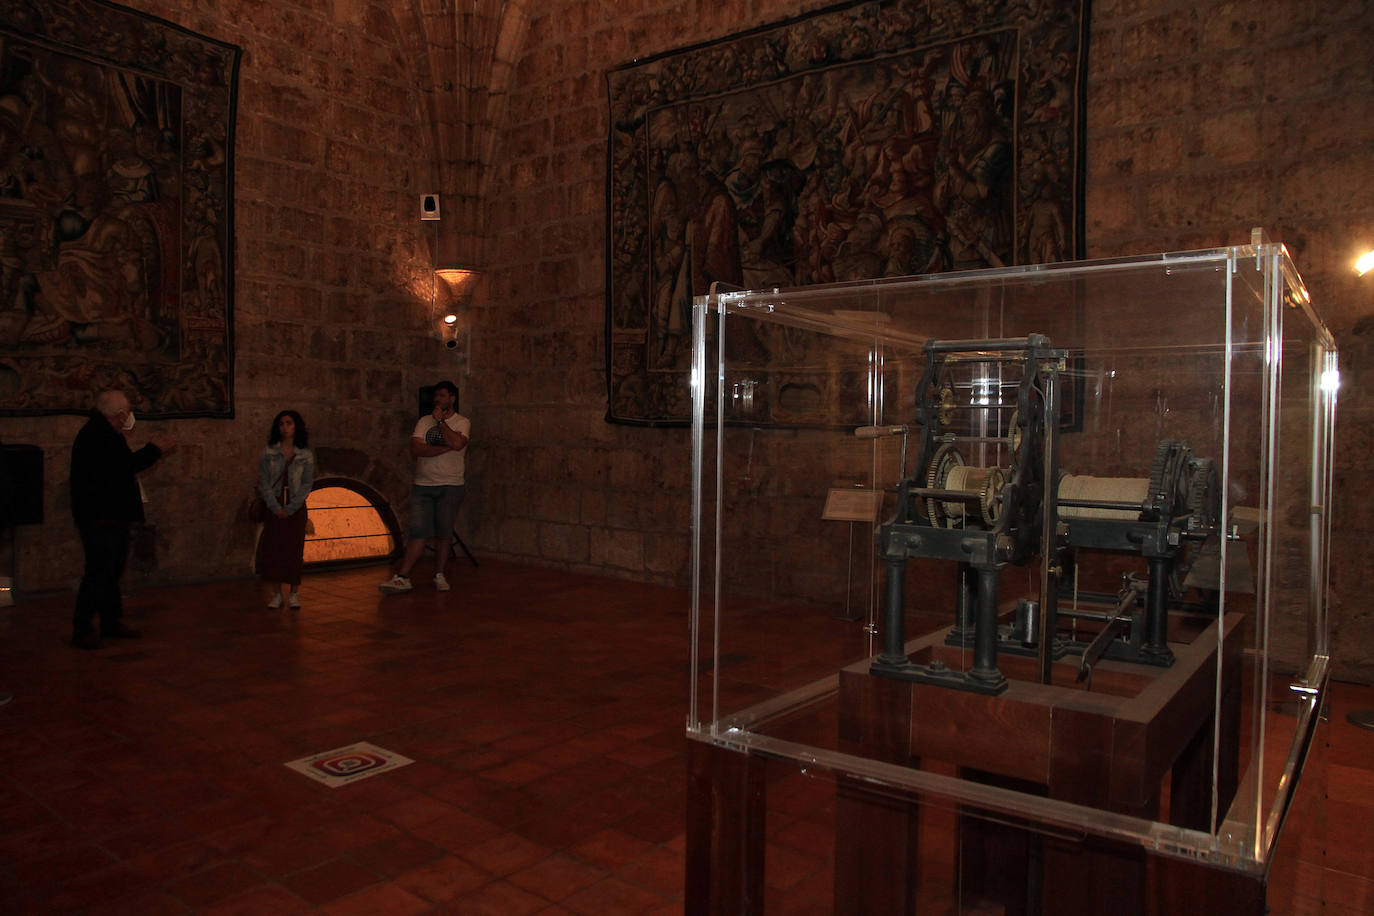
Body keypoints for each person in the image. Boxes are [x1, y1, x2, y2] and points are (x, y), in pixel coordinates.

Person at [69, 389, 175, 649]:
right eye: (127, 411)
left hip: (109, 515)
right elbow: (125, 466)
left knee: (112, 570)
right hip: (100, 516)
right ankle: (82, 628)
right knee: (98, 572)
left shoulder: (104, 433)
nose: (129, 416)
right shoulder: (97, 436)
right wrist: (155, 449)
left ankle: (110, 621)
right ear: (118, 415)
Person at [379, 380, 470, 594]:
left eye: (442, 396)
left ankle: (439, 574)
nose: (438, 400)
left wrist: (441, 425)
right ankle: (403, 576)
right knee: (418, 531)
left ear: (452, 399)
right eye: (436, 396)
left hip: (450, 485)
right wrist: (444, 446)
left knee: (443, 532)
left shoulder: (462, 422)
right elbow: (415, 449)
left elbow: (458, 444)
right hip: (423, 485)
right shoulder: (423, 421)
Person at [256, 410, 315, 609]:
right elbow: (263, 482)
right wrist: (274, 506)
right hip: (275, 502)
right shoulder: (269, 452)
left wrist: (291, 508)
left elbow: (307, 484)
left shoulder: (305, 454)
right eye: (281, 424)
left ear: (296, 426)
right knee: (274, 548)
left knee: (294, 550)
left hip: (295, 504)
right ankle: (276, 594)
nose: (285, 427)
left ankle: (294, 593)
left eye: (289, 423)